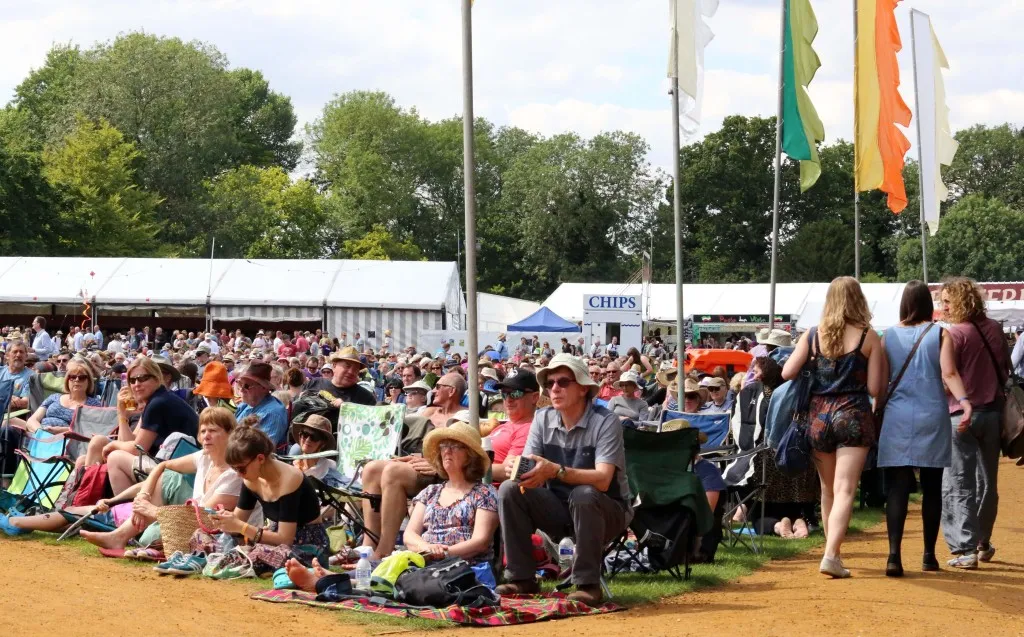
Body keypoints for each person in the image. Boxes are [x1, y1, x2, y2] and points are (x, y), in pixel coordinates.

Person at [497, 354, 631, 605]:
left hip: (608, 510)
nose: (554, 388)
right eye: (549, 384)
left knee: (584, 494)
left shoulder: (605, 421)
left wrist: (555, 471)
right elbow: (530, 465)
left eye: (562, 382)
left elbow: (602, 481)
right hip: (559, 509)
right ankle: (522, 577)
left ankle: (588, 584)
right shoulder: (542, 418)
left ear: (582, 388)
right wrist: (518, 471)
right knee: (509, 489)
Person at [782, 276, 884, 579]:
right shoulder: (869, 336)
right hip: (852, 415)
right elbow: (876, 387)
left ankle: (834, 553)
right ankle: (830, 555)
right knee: (846, 489)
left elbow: (788, 372)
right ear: (858, 300)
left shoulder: (813, 335)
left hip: (818, 417)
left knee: (828, 490)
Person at [879, 280, 972, 576]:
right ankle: (929, 555)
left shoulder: (888, 336)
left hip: (896, 416)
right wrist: (965, 401)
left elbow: (881, 383)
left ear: (904, 303)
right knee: (932, 487)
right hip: (932, 413)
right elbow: (949, 372)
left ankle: (894, 556)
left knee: (897, 487)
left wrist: (875, 411)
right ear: (927, 305)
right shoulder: (940, 333)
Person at [77, 407, 244, 551]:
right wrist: (144, 496)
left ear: (230, 434)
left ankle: (120, 535)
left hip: (218, 534)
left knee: (150, 535)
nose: (206, 436)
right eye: (203, 431)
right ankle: (119, 536)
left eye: (213, 431)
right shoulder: (204, 457)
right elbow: (161, 466)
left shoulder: (234, 474)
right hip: (193, 522)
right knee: (148, 535)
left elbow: (203, 517)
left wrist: (153, 511)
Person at [939, 277, 1007, 570]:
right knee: (987, 481)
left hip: (961, 415)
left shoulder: (954, 334)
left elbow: (947, 376)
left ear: (959, 302)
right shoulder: (994, 329)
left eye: (946, 301)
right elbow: (1005, 368)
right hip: (993, 414)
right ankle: (983, 541)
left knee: (958, 481)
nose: (943, 307)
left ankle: (964, 546)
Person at [212, 422, 329, 570]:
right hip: (274, 542)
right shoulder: (250, 479)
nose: (238, 474)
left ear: (260, 459)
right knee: (204, 537)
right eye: (234, 468)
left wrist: (241, 527)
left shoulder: (290, 479)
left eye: (241, 468)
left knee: (258, 554)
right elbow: (237, 524)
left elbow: (285, 539)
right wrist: (225, 521)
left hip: (308, 546)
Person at [102, 357, 201, 495]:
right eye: (132, 380)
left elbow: (137, 449)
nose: (136, 384)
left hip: (183, 475)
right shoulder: (156, 399)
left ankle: (124, 509)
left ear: (157, 378)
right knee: (101, 444)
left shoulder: (158, 403)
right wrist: (122, 415)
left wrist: (113, 446)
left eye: (142, 378)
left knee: (115, 457)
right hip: (173, 466)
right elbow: (129, 443)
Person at [489, 371, 540, 482]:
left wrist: (464, 469)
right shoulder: (503, 426)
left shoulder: (529, 429)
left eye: (516, 393)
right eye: (504, 393)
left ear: (535, 397)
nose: (508, 399)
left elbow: (507, 471)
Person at [234, 361, 289, 449]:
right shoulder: (244, 405)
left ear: (264, 388)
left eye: (247, 386)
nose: (241, 390)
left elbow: (262, 451)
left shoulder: (273, 413)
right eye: (240, 384)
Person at [306, 347, 377, 407]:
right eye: (347, 366)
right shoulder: (314, 384)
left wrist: (346, 409)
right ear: (334, 366)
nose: (351, 372)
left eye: (356, 369)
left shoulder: (365, 398)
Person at [291, 415, 342, 487]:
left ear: (323, 443)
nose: (308, 440)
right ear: (300, 436)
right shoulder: (291, 465)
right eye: (305, 434)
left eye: (315, 437)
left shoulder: (330, 468)